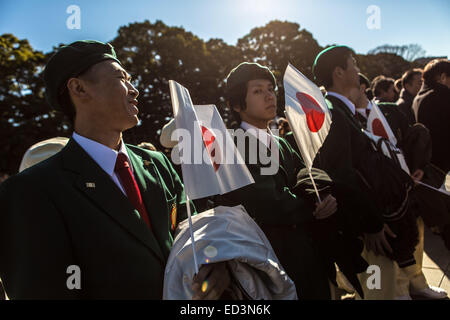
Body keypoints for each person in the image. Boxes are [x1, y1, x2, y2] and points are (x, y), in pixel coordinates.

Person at [0, 40, 229, 299]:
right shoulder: (30, 191)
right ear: (79, 88)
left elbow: (194, 232)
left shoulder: (157, 164)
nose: (134, 90)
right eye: (122, 78)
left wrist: (215, 262)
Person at [312, 45, 419, 299]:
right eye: (354, 63)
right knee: (379, 292)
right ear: (339, 72)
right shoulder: (334, 113)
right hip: (366, 233)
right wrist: (371, 224)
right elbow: (342, 174)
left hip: (367, 224)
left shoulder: (340, 110)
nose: (358, 68)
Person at [354, 73, 448, 300]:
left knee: (416, 236)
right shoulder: (344, 118)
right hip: (380, 196)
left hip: (407, 187)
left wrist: (419, 167)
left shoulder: (390, 110)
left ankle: (417, 282)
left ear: (364, 87)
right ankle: (396, 290)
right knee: (387, 249)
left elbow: (411, 137)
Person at [413, 58, 450, 174]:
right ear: (443, 77)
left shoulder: (418, 97)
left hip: (428, 163)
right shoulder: (442, 94)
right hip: (442, 161)